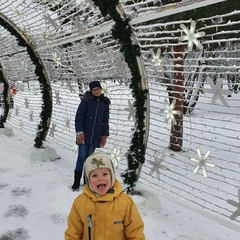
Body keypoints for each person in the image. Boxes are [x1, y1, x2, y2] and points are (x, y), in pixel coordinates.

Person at [65, 151, 146, 240]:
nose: (100, 179)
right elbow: (73, 233)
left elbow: (135, 232)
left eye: (105, 174)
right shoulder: (80, 202)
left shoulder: (125, 202)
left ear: (112, 176)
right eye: (94, 175)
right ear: (88, 180)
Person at [72, 81, 110, 191]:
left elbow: (105, 121)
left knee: (90, 160)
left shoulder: (104, 103)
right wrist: (79, 133)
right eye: (94, 89)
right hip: (84, 135)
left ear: (101, 90)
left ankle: (87, 182)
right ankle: (76, 182)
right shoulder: (85, 102)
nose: (97, 91)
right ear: (91, 90)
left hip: (95, 137)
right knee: (81, 158)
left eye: (98, 89)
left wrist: (104, 136)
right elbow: (79, 118)